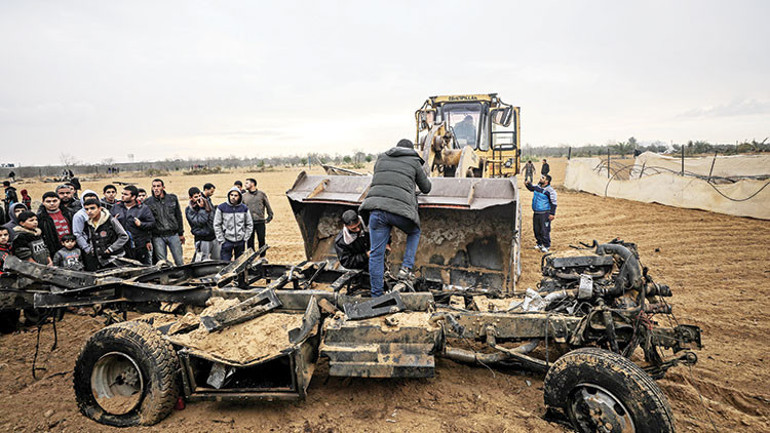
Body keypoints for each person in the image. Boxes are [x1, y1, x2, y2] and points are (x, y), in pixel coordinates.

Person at [360, 139, 432, 297]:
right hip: (399, 211)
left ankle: (376, 296)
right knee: (414, 231)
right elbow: (426, 188)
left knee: (376, 255)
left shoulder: (381, 158)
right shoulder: (414, 161)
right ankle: (405, 268)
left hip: (376, 210)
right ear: (411, 150)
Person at [144, 179, 185, 266]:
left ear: (163, 187)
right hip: (158, 236)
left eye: (158, 186)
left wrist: (181, 233)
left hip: (173, 234)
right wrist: (148, 239)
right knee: (162, 263)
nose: (156, 188)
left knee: (179, 260)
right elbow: (148, 221)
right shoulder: (148, 202)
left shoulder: (172, 199)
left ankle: (183, 274)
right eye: (154, 186)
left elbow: (178, 216)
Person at [111, 185, 155, 265]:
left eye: (126, 194)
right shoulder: (116, 207)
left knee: (142, 266)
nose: (122, 196)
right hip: (122, 245)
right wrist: (114, 221)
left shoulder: (143, 208)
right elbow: (108, 223)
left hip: (139, 245)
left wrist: (141, 224)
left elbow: (151, 224)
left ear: (133, 197)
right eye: (122, 193)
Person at [82, 198, 129, 270]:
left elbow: (124, 236)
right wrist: (92, 250)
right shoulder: (89, 223)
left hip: (115, 259)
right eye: (87, 209)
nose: (89, 211)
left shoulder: (110, 220)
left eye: (92, 208)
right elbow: (91, 238)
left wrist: (111, 249)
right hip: (100, 260)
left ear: (99, 208)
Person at [213, 187, 253, 262]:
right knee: (225, 264)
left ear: (239, 197)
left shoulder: (244, 208)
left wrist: (245, 238)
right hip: (227, 241)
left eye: (235, 195)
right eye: (231, 195)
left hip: (240, 241)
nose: (233, 197)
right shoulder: (221, 208)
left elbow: (249, 224)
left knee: (240, 263)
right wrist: (221, 240)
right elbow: (217, 224)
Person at [525, 174, 557, 253]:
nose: (540, 179)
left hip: (545, 213)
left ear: (546, 181)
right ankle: (539, 243)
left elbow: (553, 203)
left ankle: (546, 246)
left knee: (544, 230)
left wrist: (552, 213)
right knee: (536, 229)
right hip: (536, 212)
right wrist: (527, 184)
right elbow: (531, 188)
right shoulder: (538, 187)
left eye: (543, 178)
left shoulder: (550, 191)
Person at [242, 178, 273, 256]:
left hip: (260, 221)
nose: (245, 185)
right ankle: (251, 257)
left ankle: (262, 256)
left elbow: (267, 205)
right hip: (249, 223)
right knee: (249, 241)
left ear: (252, 184)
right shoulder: (244, 196)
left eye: (247, 183)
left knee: (261, 239)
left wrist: (269, 216)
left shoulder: (261, 194)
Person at [37, 191, 73, 260]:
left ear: (59, 201)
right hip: (53, 250)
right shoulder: (40, 218)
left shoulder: (69, 213)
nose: (52, 203)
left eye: (54, 201)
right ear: (43, 202)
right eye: (48, 201)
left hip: (72, 246)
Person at [186, 187, 216, 262]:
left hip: (213, 236)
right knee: (203, 260)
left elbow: (213, 218)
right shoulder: (190, 210)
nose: (199, 198)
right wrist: (202, 209)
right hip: (202, 238)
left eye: (200, 196)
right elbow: (200, 221)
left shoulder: (207, 203)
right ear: (190, 198)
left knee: (217, 258)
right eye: (196, 197)